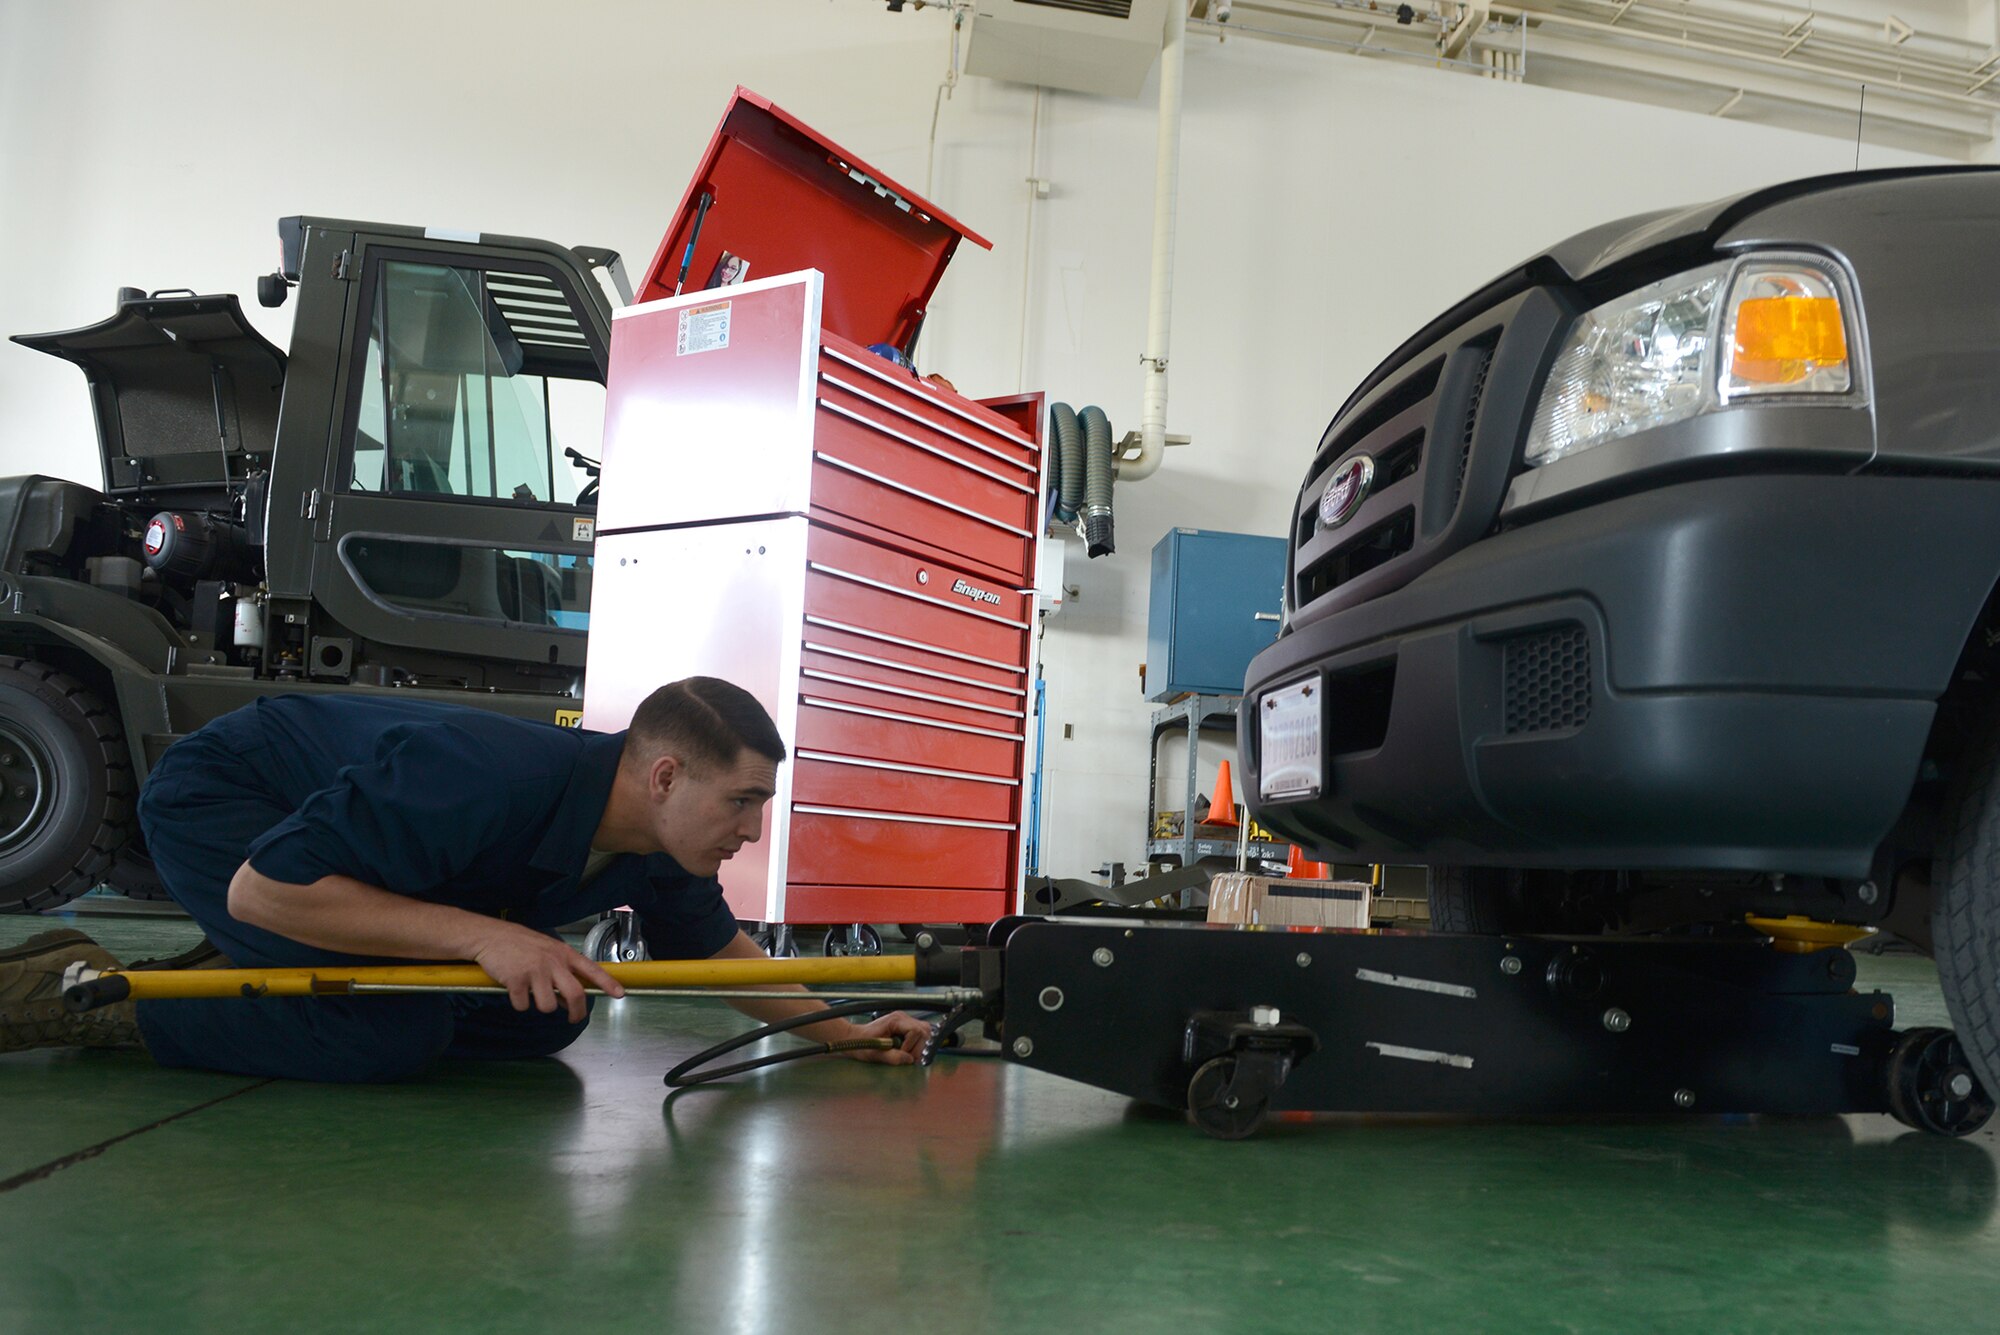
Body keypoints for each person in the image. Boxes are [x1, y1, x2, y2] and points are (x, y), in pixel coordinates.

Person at [0, 678, 932, 1080]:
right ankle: (81, 991)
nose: (753, 828)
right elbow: (264, 888)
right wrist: (485, 935)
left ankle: (237, 969)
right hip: (231, 811)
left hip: (336, 862)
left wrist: (842, 1033)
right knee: (385, 1033)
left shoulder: (660, 844)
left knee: (551, 1015)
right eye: (742, 801)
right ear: (665, 777)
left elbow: (716, 950)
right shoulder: (488, 775)